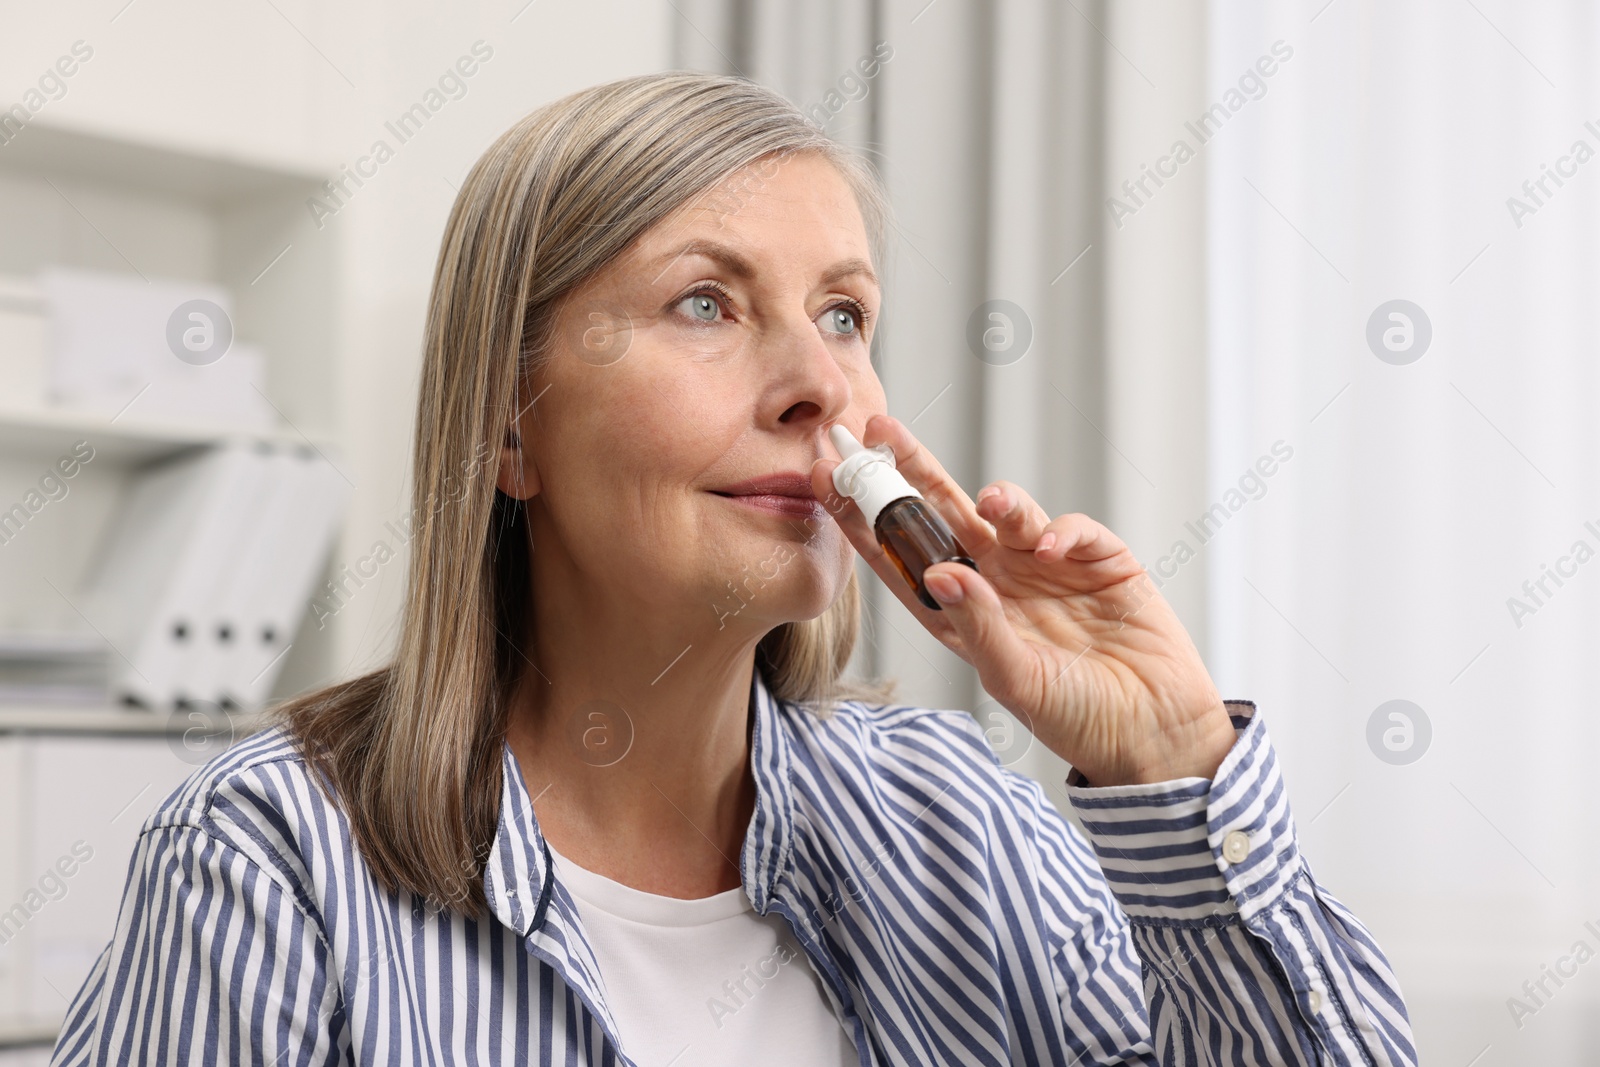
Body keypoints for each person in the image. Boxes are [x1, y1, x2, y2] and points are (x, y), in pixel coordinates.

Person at [51, 71, 1415, 1066]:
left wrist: (1171, 764)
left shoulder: (962, 823)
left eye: (845, 315)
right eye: (707, 302)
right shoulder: (276, 858)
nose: (823, 386)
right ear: (509, 427)